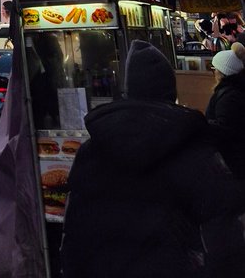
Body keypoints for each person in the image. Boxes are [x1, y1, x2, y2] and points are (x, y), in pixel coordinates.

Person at [61, 40, 245, 278]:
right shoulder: (197, 154)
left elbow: (74, 234)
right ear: (171, 92)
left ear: (129, 91)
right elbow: (226, 237)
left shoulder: (91, 152)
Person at [205, 48, 245, 180]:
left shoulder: (228, 96)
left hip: (232, 160)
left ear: (221, 72)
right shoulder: (234, 90)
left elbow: (225, 128)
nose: (214, 72)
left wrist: (203, 124)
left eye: (214, 69)